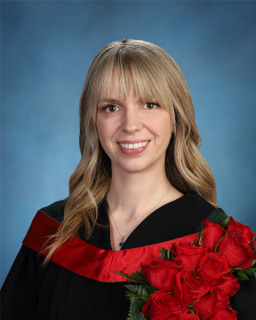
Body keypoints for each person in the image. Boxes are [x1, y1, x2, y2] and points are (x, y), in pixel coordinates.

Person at [1, 39, 255, 319]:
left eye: (149, 104)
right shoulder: (53, 231)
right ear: (93, 122)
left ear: (176, 119)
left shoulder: (218, 248)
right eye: (111, 107)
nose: (130, 125)